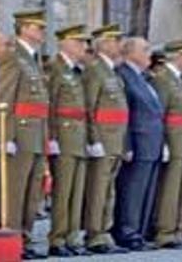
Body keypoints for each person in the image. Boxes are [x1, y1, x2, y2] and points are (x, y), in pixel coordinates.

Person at [0, 9, 51, 260]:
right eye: (38, 27)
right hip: (20, 132)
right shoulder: (13, 57)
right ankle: (12, 239)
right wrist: (5, 136)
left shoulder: (33, 59)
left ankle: (26, 238)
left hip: (37, 134)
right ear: (25, 28)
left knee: (32, 193)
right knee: (16, 191)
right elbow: (5, 97)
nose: (42, 32)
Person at [81, 24, 129, 255]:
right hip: (103, 137)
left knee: (108, 188)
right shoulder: (95, 70)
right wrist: (94, 139)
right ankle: (94, 233)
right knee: (99, 188)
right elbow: (89, 107)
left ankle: (104, 230)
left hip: (115, 139)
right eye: (115, 40)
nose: (119, 45)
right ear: (104, 44)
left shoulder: (110, 71)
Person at [112, 36, 163, 252]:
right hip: (137, 141)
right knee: (132, 190)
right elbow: (126, 114)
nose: (149, 53)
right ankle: (127, 231)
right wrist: (126, 144)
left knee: (145, 190)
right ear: (130, 52)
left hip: (151, 142)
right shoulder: (124, 75)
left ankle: (139, 231)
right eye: (144, 49)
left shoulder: (142, 77)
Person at [46, 24, 91, 257]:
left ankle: (72, 235)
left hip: (78, 138)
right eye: (79, 42)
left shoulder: (76, 71)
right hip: (63, 137)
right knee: (63, 192)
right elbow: (51, 105)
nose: (84, 47)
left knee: (76, 190)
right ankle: (58, 237)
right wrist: (51, 137)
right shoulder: (55, 68)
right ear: (64, 43)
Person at [151, 39, 182, 249]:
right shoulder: (163, 79)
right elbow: (160, 113)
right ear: (176, 57)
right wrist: (164, 143)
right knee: (170, 189)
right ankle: (165, 231)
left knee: (181, 188)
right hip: (173, 139)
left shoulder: (178, 80)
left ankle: (177, 229)